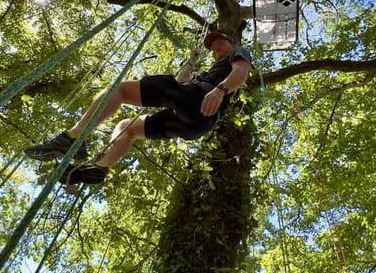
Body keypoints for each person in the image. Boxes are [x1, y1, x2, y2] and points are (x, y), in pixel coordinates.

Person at [23, 30, 253, 186]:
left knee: (120, 90)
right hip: (195, 122)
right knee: (128, 127)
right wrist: (192, 61)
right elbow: (180, 81)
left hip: (199, 99)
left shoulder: (237, 53)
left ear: (231, 43)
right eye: (212, 47)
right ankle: (98, 167)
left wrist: (220, 89)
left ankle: (74, 135)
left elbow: (241, 71)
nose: (215, 47)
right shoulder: (211, 68)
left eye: (219, 42)